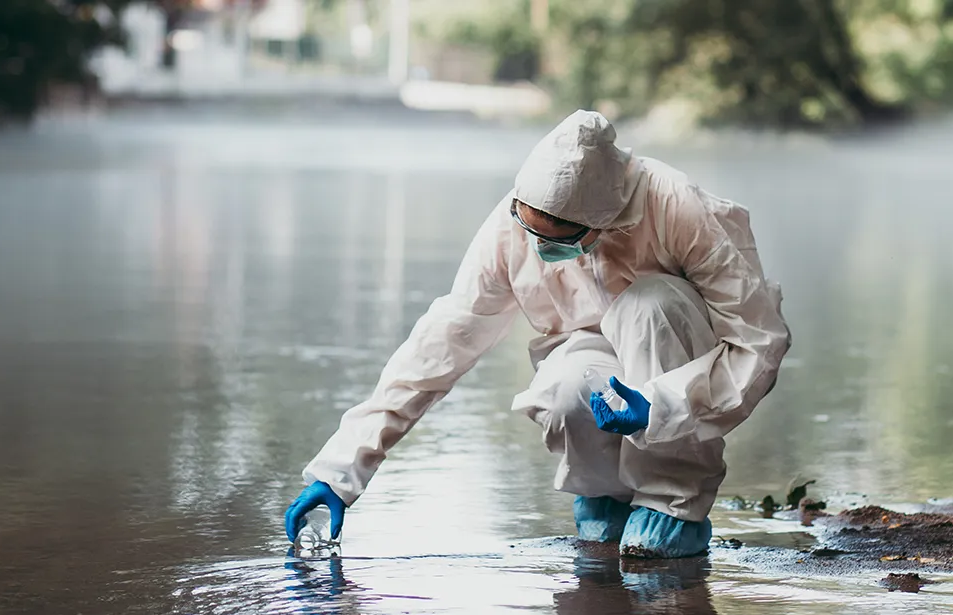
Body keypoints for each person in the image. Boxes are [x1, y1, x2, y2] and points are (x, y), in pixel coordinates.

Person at [283, 110, 792, 558]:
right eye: (529, 230)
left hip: (676, 349)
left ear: (602, 223)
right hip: (595, 354)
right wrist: (342, 469)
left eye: (557, 239)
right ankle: (604, 495)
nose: (536, 246)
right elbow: (442, 342)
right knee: (570, 384)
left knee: (647, 305)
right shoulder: (512, 226)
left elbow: (758, 340)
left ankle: (672, 501)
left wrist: (661, 402)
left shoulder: (677, 206)